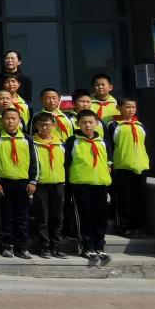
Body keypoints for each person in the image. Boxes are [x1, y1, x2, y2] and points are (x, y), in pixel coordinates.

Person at [0, 108, 37, 259]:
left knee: (22, 216)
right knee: (7, 215)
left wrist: (33, 181)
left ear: (19, 120)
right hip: (3, 183)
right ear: (2, 121)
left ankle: (22, 246)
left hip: (23, 183)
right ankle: (7, 245)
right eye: (7, 118)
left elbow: (34, 161)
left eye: (14, 118)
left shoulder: (28, 140)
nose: (10, 121)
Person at [65, 110, 113, 260]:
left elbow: (108, 162)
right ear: (78, 124)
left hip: (100, 183)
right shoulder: (72, 141)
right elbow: (67, 162)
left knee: (101, 217)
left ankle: (99, 246)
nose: (87, 125)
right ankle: (86, 246)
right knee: (84, 216)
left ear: (97, 123)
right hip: (81, 184)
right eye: (84, 122)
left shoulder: (103, 142)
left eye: (91, 122)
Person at [106, 98, 149, 238]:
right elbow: (110, 146)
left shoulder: (140, 125)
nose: (131, 110)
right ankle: (124, 228)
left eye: (133, 107)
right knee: (124, 199)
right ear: (119, 108)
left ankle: (138, 228)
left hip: (141, 166)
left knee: (139, 199)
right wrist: (110, 163)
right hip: (122, 167)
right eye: (127, 107)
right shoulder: (113, 125)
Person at [31, 112, 68, 259]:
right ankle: (44, 246)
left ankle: (56, 246)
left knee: (57, 217)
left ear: (54, 125)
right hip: (41, 184)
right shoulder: (32, 143)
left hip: (58, 183)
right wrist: (33, 181)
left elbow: (66, 163)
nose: (45, 127)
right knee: (42, 217)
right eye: (41, 125)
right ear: (36, 126)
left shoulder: (60, 144)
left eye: (47, 124)